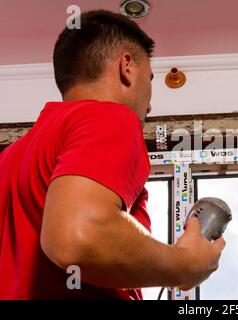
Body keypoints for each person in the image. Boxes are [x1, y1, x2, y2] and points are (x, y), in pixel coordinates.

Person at [0, 10, 225, 300]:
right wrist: (186, 264)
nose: (150, 106)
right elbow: (79, 236)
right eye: (150, 79)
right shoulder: (109, 117)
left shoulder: (11, 158)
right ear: (127, 67)